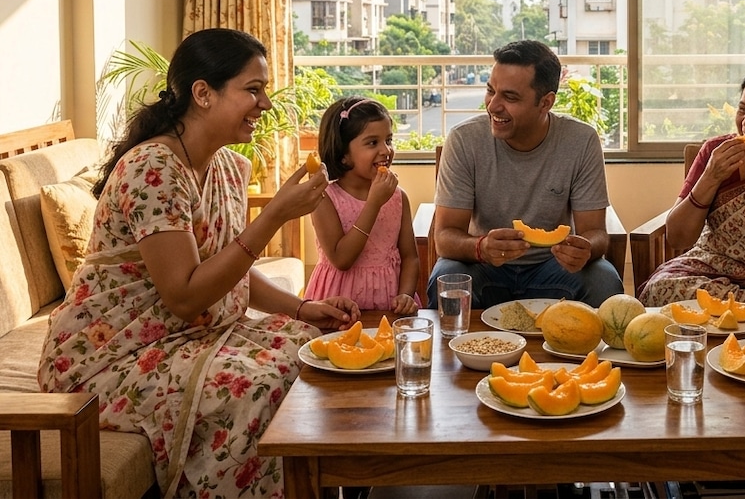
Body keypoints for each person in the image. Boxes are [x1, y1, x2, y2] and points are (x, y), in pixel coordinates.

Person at [38, 28, 361, 499]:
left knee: (311, 347)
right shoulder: (152, 169)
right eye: (253, 89)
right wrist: (273, 216)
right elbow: (186, 296)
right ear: (203, 94)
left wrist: (301, 308)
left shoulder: (227, 166)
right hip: (111, 354)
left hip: (190, 336)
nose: (266, 104)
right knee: (258, 385)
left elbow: (228, 265)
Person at [426, 40, 624, 308]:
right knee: (447, 276)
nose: (493, 106)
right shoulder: (464, 140)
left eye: (510, 97)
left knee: (603, 279)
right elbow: (445, 237)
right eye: (490, 90)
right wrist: (481, 247)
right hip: (484, 268)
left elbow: (595, 232)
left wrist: (585, 248)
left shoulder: (581, 141)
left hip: (553, 269)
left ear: (545, 103)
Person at [636, 66, 745, 307]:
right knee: (662, 289)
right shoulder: (715, 153)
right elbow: (677, 238)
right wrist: (711, 176)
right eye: (743, 110)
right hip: (710, 269)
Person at [307, 96, 421, 313]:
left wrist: (406, 294)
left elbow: (410, 257)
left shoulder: (398, 198)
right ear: (343, 154)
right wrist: (374, 204)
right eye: (372, 143)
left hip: (389, 305)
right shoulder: (324, 198)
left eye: (389, 140)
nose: (386, 150)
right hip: (338, 306)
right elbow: (341, 259)